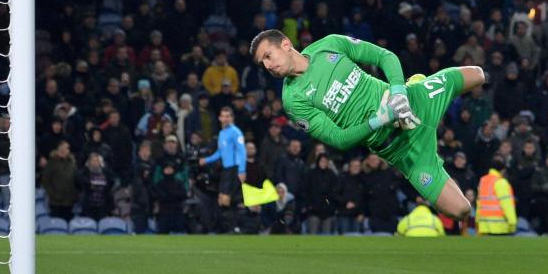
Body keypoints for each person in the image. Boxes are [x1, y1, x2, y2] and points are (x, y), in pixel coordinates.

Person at [250, 30, 485, 219]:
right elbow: (338, 140)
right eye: (262, 63)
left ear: (286, 44)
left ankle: (413, 84)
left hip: (414, 101)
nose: (268, 66)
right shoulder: (293, 100)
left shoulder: (329, 44)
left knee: (478, 74)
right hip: (402, 149)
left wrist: (398, 92)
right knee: (461, 210)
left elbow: (385, 56)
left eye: (268, 56)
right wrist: (380, 119)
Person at [198, 107, 247, 222]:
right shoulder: (222, 133)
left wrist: (242, 170)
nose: (225, 119)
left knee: (226, 198)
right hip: (226, 169)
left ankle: (234, 226)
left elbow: (242, 151)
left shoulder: (236, 132)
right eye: (223, 116)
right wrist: (207, 160)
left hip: (234, 169)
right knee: (223, 199)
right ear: (219, 118)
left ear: (232, 118)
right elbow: (220, 152)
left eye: (228, 116)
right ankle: (231, 226)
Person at [475, 157, 517, 235]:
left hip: (484, 225)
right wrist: (512, 222)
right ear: (503, 170)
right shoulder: (501, 182)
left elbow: (479, 203)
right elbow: (506, 204)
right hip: (500, 226)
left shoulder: (483, 181)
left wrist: (477, 220)